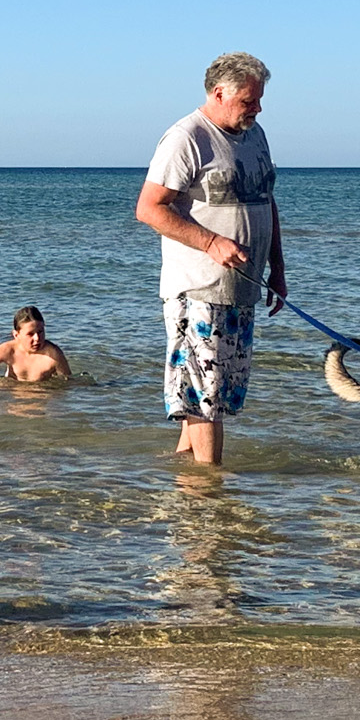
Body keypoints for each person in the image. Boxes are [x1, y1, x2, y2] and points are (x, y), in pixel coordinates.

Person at [134, 52, 283, 466]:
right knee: (205, 399)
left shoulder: (255, 135)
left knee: (218, 395)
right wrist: (210, 242)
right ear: (219, 93)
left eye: (258, 100)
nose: (257, 109)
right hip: (198, 289)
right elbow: (149, 208)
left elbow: (266, 202)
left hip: (244, 288)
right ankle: (211, 495)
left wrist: (279, 269)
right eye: (248, 101)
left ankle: (186, 483)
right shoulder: (186, 138)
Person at [0, 305, 76, 385]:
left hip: (42, 394)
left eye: (40, 332)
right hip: (13, 392)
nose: (37, 338)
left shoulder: (53, 355)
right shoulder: (7, 350)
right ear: (16, 335)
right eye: (30, 334)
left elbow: (68, 383)